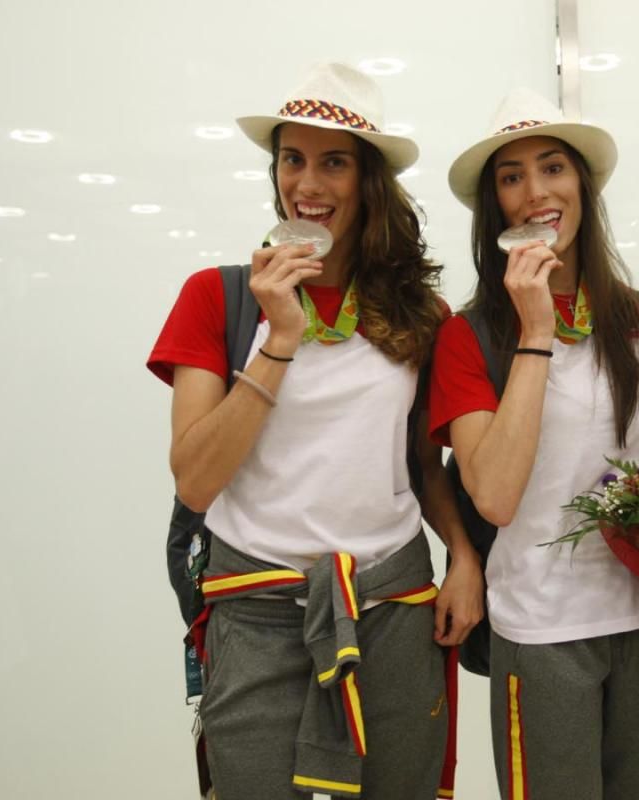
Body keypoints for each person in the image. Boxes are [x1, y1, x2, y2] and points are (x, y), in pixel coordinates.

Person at [146, 62, 482, 800]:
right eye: (292, 160)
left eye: (334, 162)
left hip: (392, 606)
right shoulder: (221, 297)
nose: (309, 183)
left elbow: (424, 469)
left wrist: (463, 557)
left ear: (368, 183)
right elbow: (196, 477)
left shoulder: (421, 315)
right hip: (256, 605)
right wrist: (279, 339)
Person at [430, 88, 639, 800]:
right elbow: (496, 494)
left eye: (552, 168)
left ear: (584, 185)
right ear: (495, 208)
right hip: (541, 633)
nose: (535, 192)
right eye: (511, 178)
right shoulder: (471, 335)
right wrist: (535, 331)